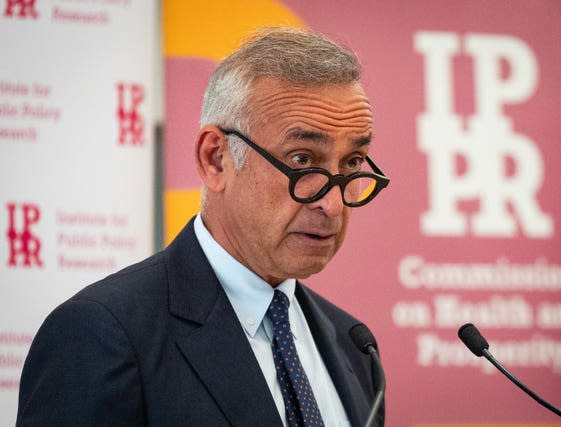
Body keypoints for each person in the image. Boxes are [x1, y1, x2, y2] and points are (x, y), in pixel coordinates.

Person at [17, 27, 389, 426]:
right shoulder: (102, 334)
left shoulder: (354, 346)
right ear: (215, 159)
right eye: (301, 160)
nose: (332, 204)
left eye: (351, 164)